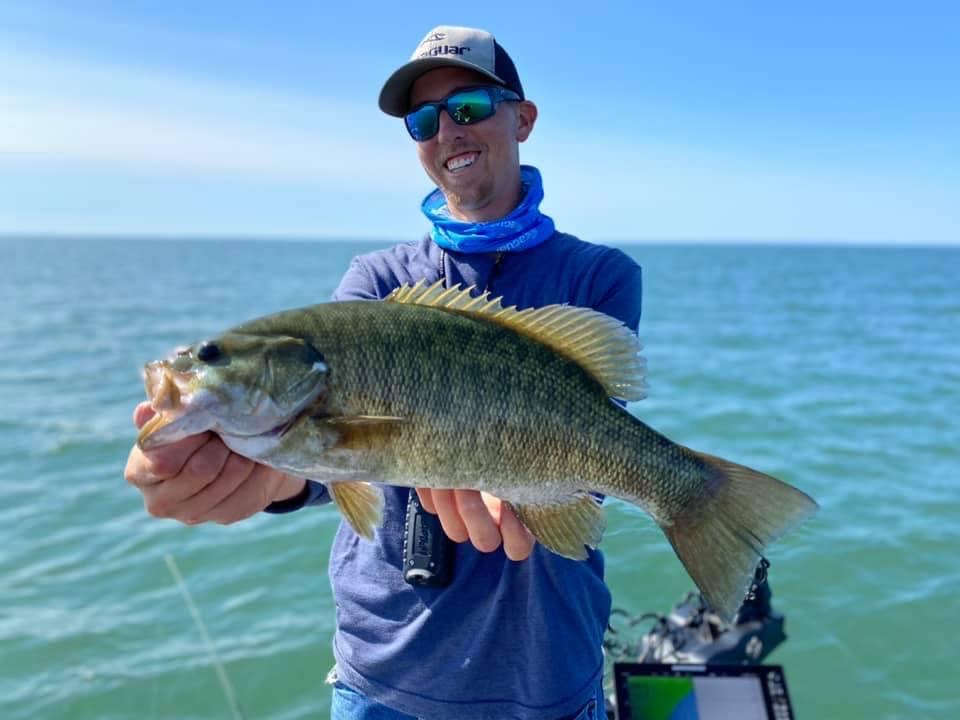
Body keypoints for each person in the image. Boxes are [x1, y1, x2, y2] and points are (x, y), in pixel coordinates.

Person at [125, 25, 642, 720]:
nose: (446, 132)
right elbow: (328, 464)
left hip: (545, 672)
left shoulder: (598, 276)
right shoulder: (377, 279)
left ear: (522, 118)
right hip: (382, 679)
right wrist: (253, 478)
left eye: (468, 107)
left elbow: (586, 445)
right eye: (423, 120)